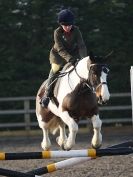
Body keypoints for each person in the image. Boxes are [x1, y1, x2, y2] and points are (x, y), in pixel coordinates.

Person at [40, 8, 87, 108]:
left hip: (73, 54)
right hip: (58, 56)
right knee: (55, 69)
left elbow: (81, 45)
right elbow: (60, 50)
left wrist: (83, 58)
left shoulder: (76, 30)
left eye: (69, 25)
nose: (68, 27)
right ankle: (47, 95)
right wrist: (70, 59)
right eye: (65, 25)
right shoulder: (57, 32)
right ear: (61, 25)